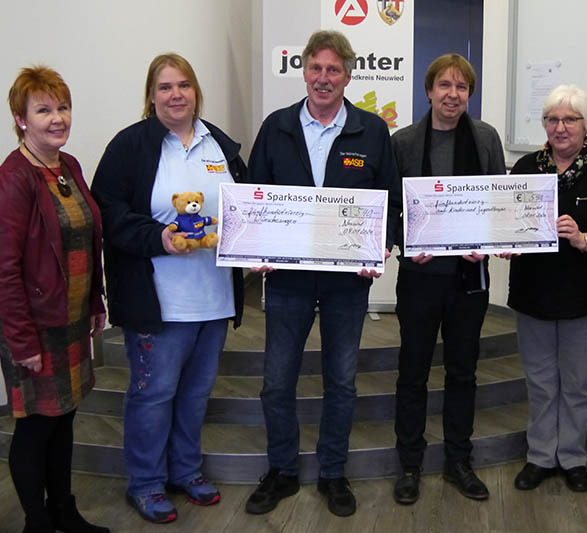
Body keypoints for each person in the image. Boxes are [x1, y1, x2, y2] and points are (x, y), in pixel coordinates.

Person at [243, 30, 397, 518]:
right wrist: (254, 247)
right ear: (303, 71)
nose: (323, 78)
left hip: (346, 283)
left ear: (349, 76)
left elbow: (388, 201)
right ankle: (283, 471)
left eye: (334, 70)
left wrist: (383, 245)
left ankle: (333, 472)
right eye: (316, 68)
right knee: (275, 382)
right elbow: (253, 197)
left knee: (342, 382)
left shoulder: (372, 131)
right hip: (286, 280)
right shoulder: (277, 127)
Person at [91, 53, 246, 524]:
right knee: (153, 395)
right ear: (151, 95)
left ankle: (186, 471)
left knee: (196, 394)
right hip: (158, 299)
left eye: (183, 85)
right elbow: (109, 213)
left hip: (214, 298)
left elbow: (245, 203)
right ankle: (145, 482)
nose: (175, 94)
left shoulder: (218, 143)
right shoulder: (131, 146)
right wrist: (157, 238)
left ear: (196, 91)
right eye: (164, 87)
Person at [0, 66, 109, 533]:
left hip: (71, 318)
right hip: (33, 326)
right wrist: (23, 341)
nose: (57, 118)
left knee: (64, 420)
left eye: (62, 107)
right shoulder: (11, 181)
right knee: (35, 427)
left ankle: (63, 512)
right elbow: (4, 272)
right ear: (21, 119)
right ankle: (37, 523)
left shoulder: (68, 166)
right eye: (43, 110)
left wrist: (95, 302)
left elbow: (87, 241)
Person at [504, 85, 587, 493]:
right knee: (540, 383)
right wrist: (506, 244)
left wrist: (585, 239)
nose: (560, 128)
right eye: (553, 119)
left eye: (570, 119)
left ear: (585, 124)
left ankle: (573, 456)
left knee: (577, 385)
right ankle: (541, 456)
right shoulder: (525, 167)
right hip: (533, 295)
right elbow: (505, 223)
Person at [388, 54, 505, 505]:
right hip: (419, 277)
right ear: (429, 90)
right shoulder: (404, 141)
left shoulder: (486, 138)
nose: (453, 94)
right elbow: (392, 210)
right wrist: (407, 242)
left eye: (462, 87)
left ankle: (459, 460)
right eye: (444, 85)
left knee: (463, 371)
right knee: (412, 372)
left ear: (469, 94)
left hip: (468, 276)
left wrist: (489, 238)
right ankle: (410, 465)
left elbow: (497, 199)